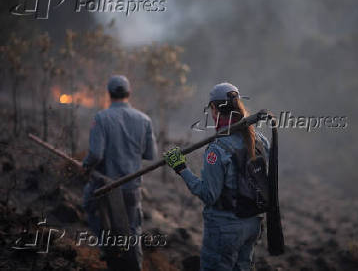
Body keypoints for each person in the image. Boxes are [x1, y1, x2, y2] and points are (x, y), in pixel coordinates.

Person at [164, 82, 269, 271]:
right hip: (253, 225)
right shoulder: (261, 141)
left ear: (214, 108)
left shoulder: (218, 149)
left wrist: (181, 168)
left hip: (225, 227)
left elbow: (208, 194)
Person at [82, 75, 157, 271]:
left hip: (105, 188)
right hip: (131, 188)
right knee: (133, 230)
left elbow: (96, 154)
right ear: (129, 93)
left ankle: (106, 248)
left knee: (88, 205)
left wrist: (86, 165)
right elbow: (151, 154)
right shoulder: (144, 120)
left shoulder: (101, 118)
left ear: (109, 94)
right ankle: (136, 266)